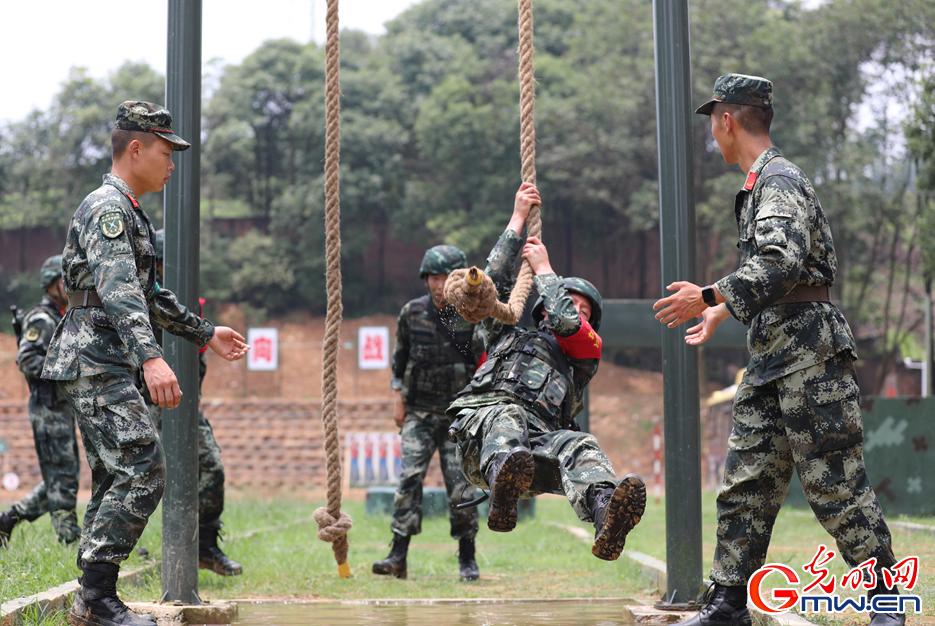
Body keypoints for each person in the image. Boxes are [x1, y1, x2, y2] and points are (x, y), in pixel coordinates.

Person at [653, 73, 902, 626]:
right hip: (772, 354)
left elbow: (780, 261)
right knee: (747, 481)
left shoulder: (779, 181)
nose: (712, 137)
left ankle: (887, 603)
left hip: (809, 356)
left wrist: (711, 294)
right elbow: (775, 271)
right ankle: (726, 602)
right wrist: (727, 307)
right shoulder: (760, 182)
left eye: (712, 125)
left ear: (727, 120)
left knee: (834, 482)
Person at [42, 101, 250, 626]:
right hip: (95, 357)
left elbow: (149, 294)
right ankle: (96, 597)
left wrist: (205, 332)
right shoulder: (109, 209)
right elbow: (119, 294)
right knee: (142, 464)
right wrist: (153, 359)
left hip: (103, 357)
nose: (172, 163)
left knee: (116, 474)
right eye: (165, 151)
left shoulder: (129, 210)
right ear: (135, 148)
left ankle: (92, 597)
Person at [446, 182, 646, 561]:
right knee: (509, 413)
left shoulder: (581, 358)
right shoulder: (504, 333)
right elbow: (491, 285)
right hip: (483, 440)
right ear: (542, 309)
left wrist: (546, 272)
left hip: (532, 458)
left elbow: (568, 324)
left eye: (585, 310)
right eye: (570, 303)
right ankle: (502, 490)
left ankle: (608, 516)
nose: (575, 312)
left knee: (581, 444)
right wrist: (518, 218)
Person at [373, 245, 484, 581]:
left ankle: (467, 557)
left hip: (458, 417)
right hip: (419, 412)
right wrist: (397, 398)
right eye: (434, 277)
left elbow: (485, 361)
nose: (439, 285)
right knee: (409, 478)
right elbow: (400, 358)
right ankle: (398, 554)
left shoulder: (474, 313)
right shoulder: (411, 313)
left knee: (462, 486)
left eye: (446, 277)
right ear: (426, 279)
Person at [136, 228, 241, 576]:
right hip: (149, 402)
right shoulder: (143, 299)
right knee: (142, 479)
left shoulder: (187, 303)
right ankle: (125, 551)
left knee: (210, 468)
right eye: (164, 263)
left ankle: (205, 547)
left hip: (185, 401)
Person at [0, 255, 82, 548]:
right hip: (47, 407)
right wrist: (65, 367)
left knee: (64, 475)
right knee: (63, 478)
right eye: (65, 279)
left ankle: (7, 519)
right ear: (52, 283)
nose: (71, 285)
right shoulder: (41, 318)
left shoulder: (62, 315)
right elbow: (26, 358)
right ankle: (69, 540)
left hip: (60, 406)